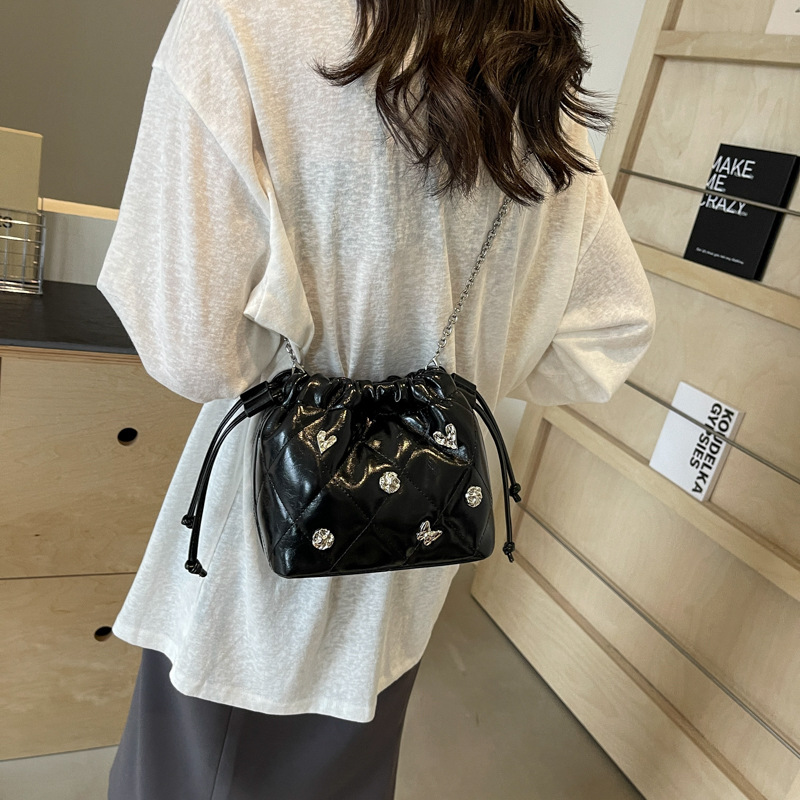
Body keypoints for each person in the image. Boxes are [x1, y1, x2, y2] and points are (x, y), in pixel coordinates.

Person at [97, 0, 657, 797]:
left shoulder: (243, 17)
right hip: (409, 565)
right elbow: (613, 327)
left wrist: (310, 370)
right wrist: (458, 379)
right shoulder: (531, 68)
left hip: (256, 584)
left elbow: (192, 347)